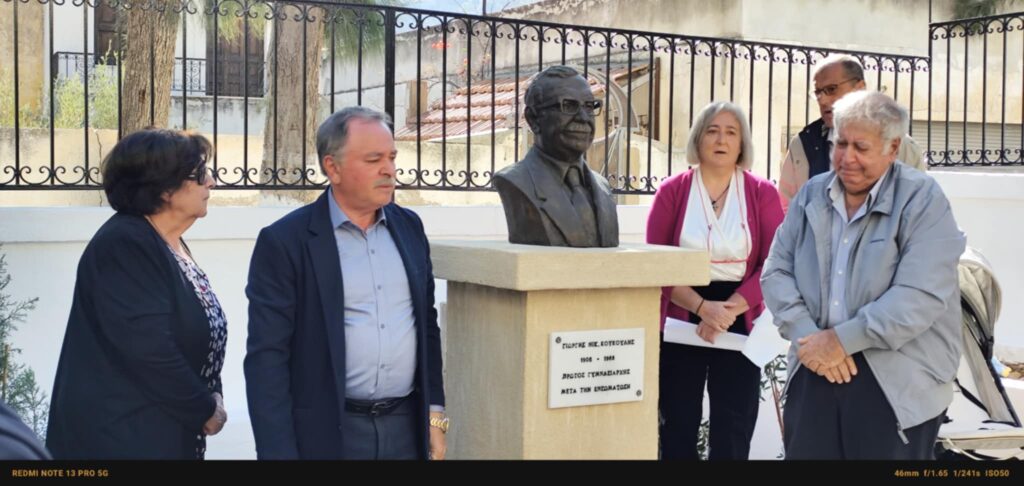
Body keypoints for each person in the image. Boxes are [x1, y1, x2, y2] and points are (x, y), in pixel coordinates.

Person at [761, 91, 965, 459]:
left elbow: (919, 296)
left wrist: (841, 341)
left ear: (892, 148)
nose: (847, 157)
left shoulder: (922, 199)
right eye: (840, 143)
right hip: (813, 365)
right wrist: (810, 338)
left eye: (861, 147)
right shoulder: (811, 194)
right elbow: (776, 271)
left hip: (895, 382)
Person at [244, 106, 447, 460]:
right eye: (373, 160)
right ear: (332, 167)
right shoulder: (286, 242)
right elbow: (267, 359)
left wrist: (435, 415)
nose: (389, 170)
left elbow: (426, 326)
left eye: (391, 157)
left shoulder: (409, 227)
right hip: (328, 433)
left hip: (405, 427)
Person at [47, 129, 227, 459]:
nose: (211, 182)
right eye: (200, 173)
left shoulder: (168, 242)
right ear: (164, 186)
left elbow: (196, 332)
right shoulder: (125, 245)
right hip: (121, 440)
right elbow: (149, 348)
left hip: (165, 434)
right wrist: (203, 408)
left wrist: (214, 392)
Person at [646, 101, 784, 460]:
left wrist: (727, 311)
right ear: (698, 138)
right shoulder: (672, 191)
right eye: (712, 130)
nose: (721, 140)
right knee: (677, 422)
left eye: (731, 132)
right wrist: (703, 308)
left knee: (734, 424)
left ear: (742, 144)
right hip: (682, 313)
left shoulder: (762, 192)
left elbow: (775, 263)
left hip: (740, 312)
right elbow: (656, 262)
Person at [778, 54, 926, 212]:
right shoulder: (802, 145)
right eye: (818, 93)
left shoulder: (903, 148)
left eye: (831, 89)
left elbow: (917, 210)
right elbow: (787, 210)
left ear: (860, 88)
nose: (823, 100)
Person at [493, 65, 619, 247]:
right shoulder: (516, 182)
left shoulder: (602, 188)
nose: (584, 118)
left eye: (589, 106)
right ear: (533, 119)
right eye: (568, 106)